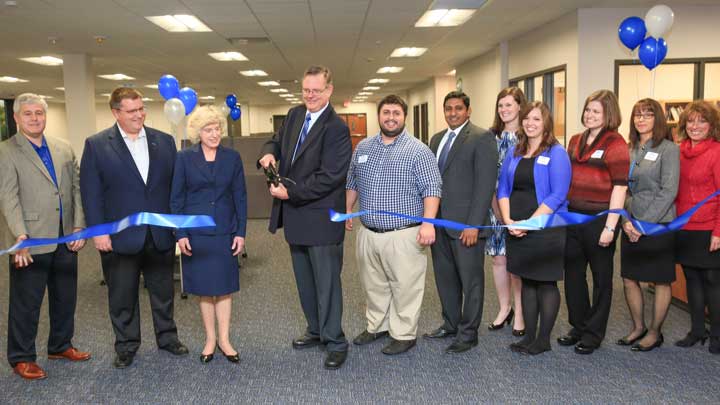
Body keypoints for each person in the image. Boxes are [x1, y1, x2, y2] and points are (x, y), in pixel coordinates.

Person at [80, 87, 188, 369]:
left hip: (159, 233)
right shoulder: (97, 144)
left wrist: (178, 225)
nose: (139, 115)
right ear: (116, 112)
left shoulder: (164, 142)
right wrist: (98, 231)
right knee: (122, 294)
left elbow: (174, 189)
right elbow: (91, 193)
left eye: (141, 109)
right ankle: (126, 345)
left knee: (163, 290)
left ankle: (167, 338)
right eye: (132, 111)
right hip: (119, 237)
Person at [258, 65, 352, 370]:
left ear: (329, 91)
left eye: (316, 90)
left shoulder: (336, 128)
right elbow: (276, 140)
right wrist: (268, 153)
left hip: (321, 219)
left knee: (327, 283)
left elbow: (331, 177)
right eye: (305, 90)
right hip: (296, 217)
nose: (309, 95)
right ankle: (315, 330)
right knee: (305, 282)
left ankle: (335, 340)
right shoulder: (296, 114)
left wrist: (290, 193)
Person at [0, 93, 89, 380]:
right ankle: (22, 357)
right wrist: (20, 238)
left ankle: (60, 345)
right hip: (31, 240)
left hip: (65, 237)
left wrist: (78, 227)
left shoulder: (62, 148)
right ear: (16, 117)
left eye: (39, 112)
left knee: (65, 297)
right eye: (28, 114)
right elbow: (8, 197)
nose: (35, 118)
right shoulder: (6, 151)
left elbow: (77, 189)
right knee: (27, 302)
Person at [346, 94, 442, 355]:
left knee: (405, 285)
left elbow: (432, 189)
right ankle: (377, 325)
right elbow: (352, 181)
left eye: (396, 113)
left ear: (404, 116)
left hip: (404, 234)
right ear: (379, 115)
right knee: (373, 283)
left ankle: (404, 333)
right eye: (386, 112)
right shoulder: (363, 147)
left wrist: (428, 224)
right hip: (368, 231)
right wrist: (347, 210)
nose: (390, 117)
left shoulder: (418, 151)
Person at [170, 105, 247, 363]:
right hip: (196, 233)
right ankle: (210, 339)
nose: (214, 134)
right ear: (197, 132)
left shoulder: (232, 157)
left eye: (217, 129)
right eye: (208, 129)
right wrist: (180, 233)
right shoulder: (184, 158)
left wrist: (241, 231)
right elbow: (176, 199)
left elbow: (240, 196)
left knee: (224, 288)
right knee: (204, 289)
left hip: (225, 230)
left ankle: (225, 340)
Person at [424, 91, 497, 353]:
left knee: (471, 280)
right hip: (440, 223)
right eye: (448, 109)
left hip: (466, 224)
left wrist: (474, 225)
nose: (452, 113)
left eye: (458, 108)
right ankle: (451, 323)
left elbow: (485, 185)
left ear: (468, 110)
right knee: (445, 278)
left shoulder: (481, 137)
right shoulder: (436, 139)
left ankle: (468, 333)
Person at [558, 89, 629, 355]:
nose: (590, 115)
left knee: (601, 278)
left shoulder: (615, 143)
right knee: (574, 276)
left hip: (601, 220)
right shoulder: (576, 140)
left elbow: (620, 188)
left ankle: (594, 333)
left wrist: (611, 226)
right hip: (573, 218)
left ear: (608, 114)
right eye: (588, 110)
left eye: (596, 111)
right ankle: (578, 325)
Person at [498, 101, 571, 355]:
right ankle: (529, 335)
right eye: (527, 118)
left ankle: (542, 339)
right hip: (516, 225)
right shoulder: (515, 151)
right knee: (527, 281)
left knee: (545, 283)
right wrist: (508, 221)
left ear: (546, 123)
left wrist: (530, 224)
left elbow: (557, 195)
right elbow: (503, 189)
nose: (530, 123)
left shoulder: (556, 152)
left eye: (537, 119)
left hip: (546, 228)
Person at [618, 98, 679, 352]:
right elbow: (620, 189)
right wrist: (626, 221)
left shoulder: (668, 149)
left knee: (660, 279)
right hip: (630, 222)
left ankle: (655, 333)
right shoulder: (628, 148)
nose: (641, 119)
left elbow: (669, 191)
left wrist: (644, 226)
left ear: (658, 119)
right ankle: (638, 327)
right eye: (637, 115)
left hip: (658, 224)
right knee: (629, 278)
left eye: (647, 114)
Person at [674, 100, 720, 355]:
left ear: (712, 126)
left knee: (713, 280)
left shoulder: (716, 152)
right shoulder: (678, 151)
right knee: (691, 278)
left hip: (709, 227)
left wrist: (718, 231)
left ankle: (717, 334)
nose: (695, 126)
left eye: (702, 121)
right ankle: (697, 330)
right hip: (684, 226)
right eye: (690, 121)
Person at [486, 87, 528, 336]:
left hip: (520, 208)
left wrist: (511, 213)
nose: (504, 110)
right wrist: (496, 208)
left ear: (520, 106)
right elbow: (487, 175)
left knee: (516, 263)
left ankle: (520, 313)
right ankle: (504, 308)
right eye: (500, 105)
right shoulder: (491, 137)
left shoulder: (528, 136)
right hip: (494, 207)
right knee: (498, 259)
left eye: (509, 105)